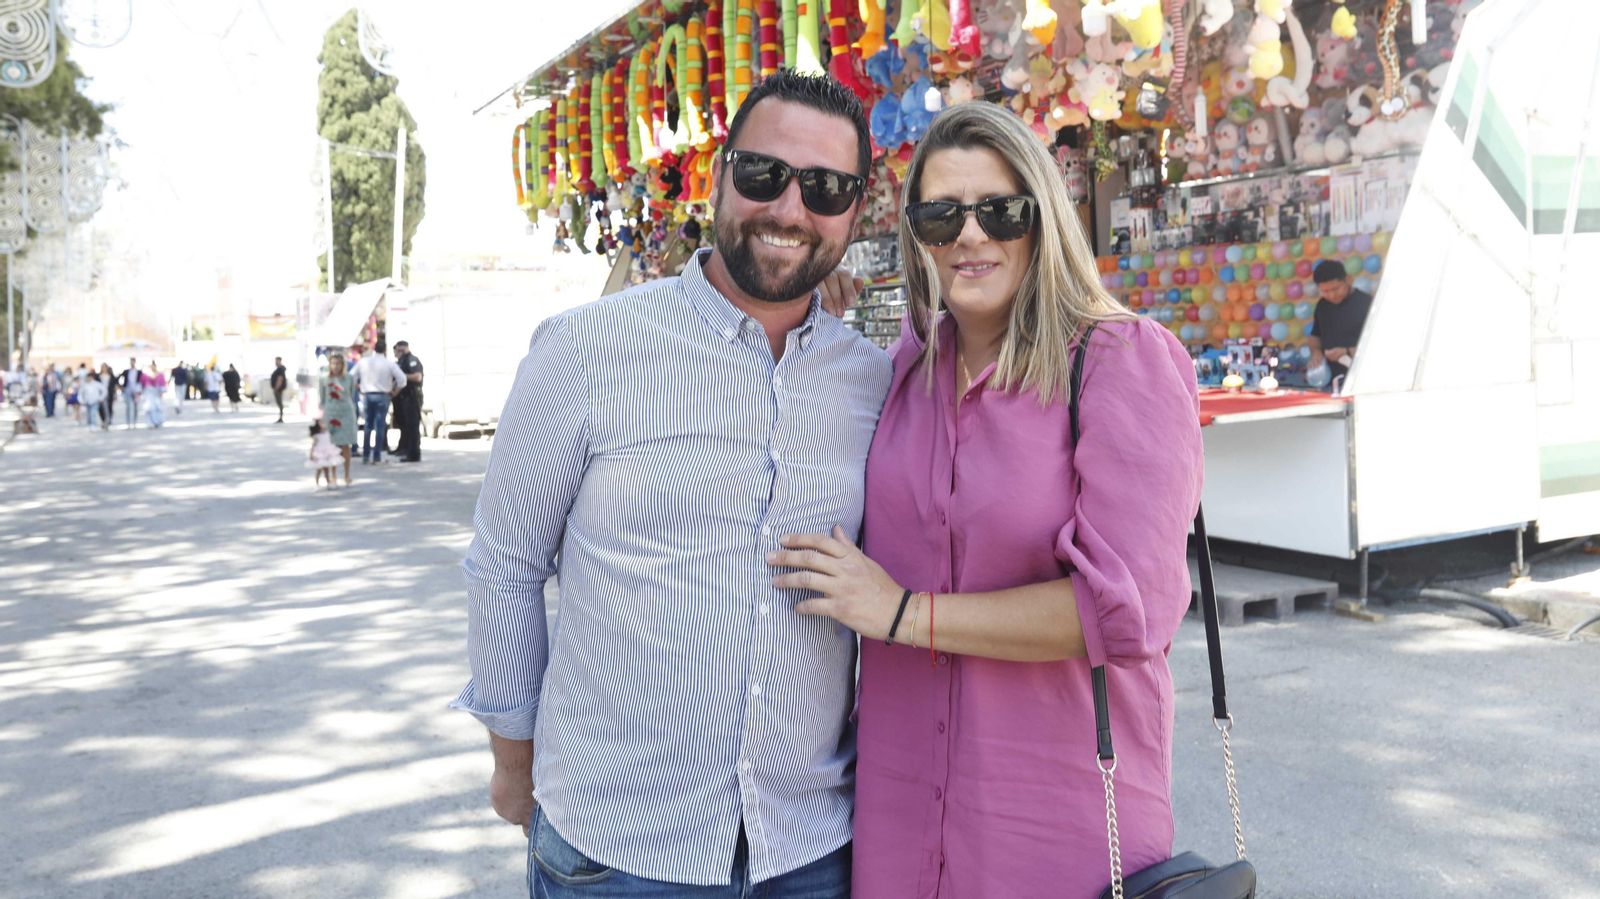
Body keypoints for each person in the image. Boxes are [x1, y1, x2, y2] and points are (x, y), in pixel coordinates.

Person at [451, 70, 885, 899]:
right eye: (765, 175)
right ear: (719, 176)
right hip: (617, 849)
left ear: (854, 211)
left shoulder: (871, 381)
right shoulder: (583, 351)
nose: (791, 210)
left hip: (812, 848)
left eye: (826, 188)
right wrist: (514, 757)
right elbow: (505, 562)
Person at [801, 102, 1204, 897]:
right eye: (941, 213)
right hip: (900, 815)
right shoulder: (904, 371)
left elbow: (1125, 610)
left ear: (1042, 217)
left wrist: (901, 613)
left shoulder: (1121, 361)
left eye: (1000, 210)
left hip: (1058, 818)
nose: (970, 235)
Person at [1308, 259, 1373, 387]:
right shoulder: (1322, 305)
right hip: (1330, 379)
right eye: (1325, 291)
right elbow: (1315, 335)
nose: (1331, 295)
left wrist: (1346, 352)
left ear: (1348, 279)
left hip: (1363, 378)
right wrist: (1316, 352)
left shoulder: (1368, 304)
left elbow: (1378, 345)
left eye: (1336, 288)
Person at [353, 341, 403, 463]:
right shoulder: (389, 364)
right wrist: (395, 392)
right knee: (379, 426)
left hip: (368, 395)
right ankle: (376, 455)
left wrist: (358, 387)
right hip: (383, 395)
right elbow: (402, 379)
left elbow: (352, 376)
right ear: (385, 350)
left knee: (368, 425)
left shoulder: (364, 362)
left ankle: (365, 454)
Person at [318, 353, 358, 486]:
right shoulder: (324, 379)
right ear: (329, 365)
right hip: (330, 413)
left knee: (346, 444)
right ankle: (333, 476)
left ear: (343, 365)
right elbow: (322, 399)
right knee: (331, 445)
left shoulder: (349, 378)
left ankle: (347, 475)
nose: (336, 366)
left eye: (338, 364)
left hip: (346, 412)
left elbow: (351, 395)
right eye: (333, 363)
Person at [390, 340, 424, 462]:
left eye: (400, 349)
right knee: (407, 426)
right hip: (405, 398)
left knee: (413, 426)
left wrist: (402, 376)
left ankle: (414, 454)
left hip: (413, 396)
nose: (398, 352)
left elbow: (417, 376)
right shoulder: (403, 361)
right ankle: (407, 450)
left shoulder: (412, 360)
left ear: (405, 348)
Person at [307, 420, 341, 489]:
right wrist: (311, 454)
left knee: (326, 468)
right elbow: (313, 445)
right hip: (320, 454)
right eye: (321, 423)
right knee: (319, 469)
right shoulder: (317, 436)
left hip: (326, 453)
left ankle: (328, 481)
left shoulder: (327, 434)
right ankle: (317, 482)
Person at [141, 362, 167, 428]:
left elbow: (162, 384)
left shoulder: (160, 375)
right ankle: (149, 422)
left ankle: (158, 421)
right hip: (148, 394)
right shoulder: (145, 375)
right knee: (149, 408)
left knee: (157, 408)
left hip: (156, 394)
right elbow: (142, 384)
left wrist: (161, 391)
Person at [120, 357, 142, 428]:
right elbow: (118, 378)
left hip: (136, 391)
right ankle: (128, 422)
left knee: (135, 407)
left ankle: (135, 422)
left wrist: (139, 391)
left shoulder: (139, 372)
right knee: (128, 407)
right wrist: (121, 387)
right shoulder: (126, 371)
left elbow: (140, 382)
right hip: (128, 390)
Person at [99, 363, 118, 432]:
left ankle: (107, 420)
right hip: (101, 394)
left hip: (109, 394)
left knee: (109, 407)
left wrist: (115, 394)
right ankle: (104, 420)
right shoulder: (98, 376)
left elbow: (115, 384)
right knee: (101, 408)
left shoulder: (111, 376)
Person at [270, 356, 289, 423]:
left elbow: (280, 379)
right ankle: (280, 417)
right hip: (278, 388)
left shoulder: (280, 369)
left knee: (280, 402)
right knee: (279, 403)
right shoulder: (279, 369)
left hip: (278, 389)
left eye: (277, 361)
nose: (276, 362)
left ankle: (281, 417)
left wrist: (277, 388)